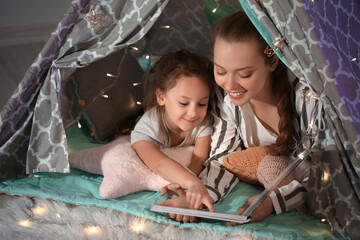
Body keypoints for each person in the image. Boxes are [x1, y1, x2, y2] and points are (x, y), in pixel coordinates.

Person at [160, 11, 315, 224]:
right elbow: (223, 159)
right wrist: (196, 197)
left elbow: (328, 176)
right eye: (221, 71)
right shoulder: (229, 103)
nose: (230, 85)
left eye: (244, 74)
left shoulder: (307, 99)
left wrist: (272, 201)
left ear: (271, 63)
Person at [131, 49, 215, 212]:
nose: (193, 113)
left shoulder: (204, 122)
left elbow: (199, 159)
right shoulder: (147, 128)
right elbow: (160, 164)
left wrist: (186, 189)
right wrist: (192, 183)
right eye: (184, 103)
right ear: (161, 97)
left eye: (202, 104)